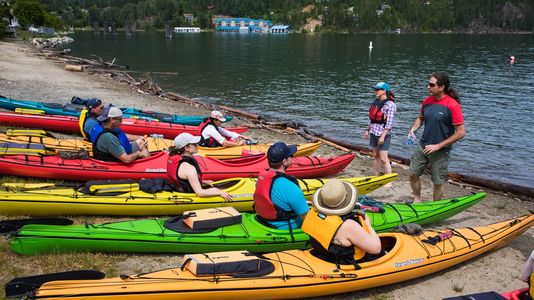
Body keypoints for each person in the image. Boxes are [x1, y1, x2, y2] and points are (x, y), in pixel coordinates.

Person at [408, 72, 465, 202]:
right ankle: (417, 198)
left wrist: (438, 146)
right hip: (423, 145)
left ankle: (435, 206)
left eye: (431, 84)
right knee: (413, 174)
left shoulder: (452, 105)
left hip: (440, 151)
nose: (428, 87)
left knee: (438, 182)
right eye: (428, 84)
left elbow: (461, 132)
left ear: (441, 87)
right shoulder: (427, 101)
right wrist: (413, 129)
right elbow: (420, 118)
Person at [302, 179, 381, 265]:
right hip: (344, 264)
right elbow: (376, 249)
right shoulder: (348, 225)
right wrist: (368, 225)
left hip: (322, 255)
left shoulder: (312, 212)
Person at [253, 142, 309, 229]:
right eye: (291, 156)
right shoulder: (290, 186)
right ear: (284, 161)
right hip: (284, 226)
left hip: (263, 220)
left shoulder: (262, 178)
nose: (292, 157)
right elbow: (306, 218)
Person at [166, 132, 233, 201]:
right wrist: (219, 192)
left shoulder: (176, 159)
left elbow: (181, 179)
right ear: (186, 148)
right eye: (195, 144)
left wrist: (201, 181)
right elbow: (200, 193)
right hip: (188, 195)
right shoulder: (189, 168)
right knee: (216, 189)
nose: (197, 146)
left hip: (178, 189)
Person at [364, 82, 397, 178]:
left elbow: (389, 123)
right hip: (373, 132)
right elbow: (372, 119)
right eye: (375, 89)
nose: (375, 91)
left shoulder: (390, 105)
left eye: (377, 89)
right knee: (375, 155)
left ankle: (389, 179)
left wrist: (382, 136)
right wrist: (367, 130)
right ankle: (377, 175)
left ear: (384, 91)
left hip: (383, 134)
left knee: (384, 158)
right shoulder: (376, 102)